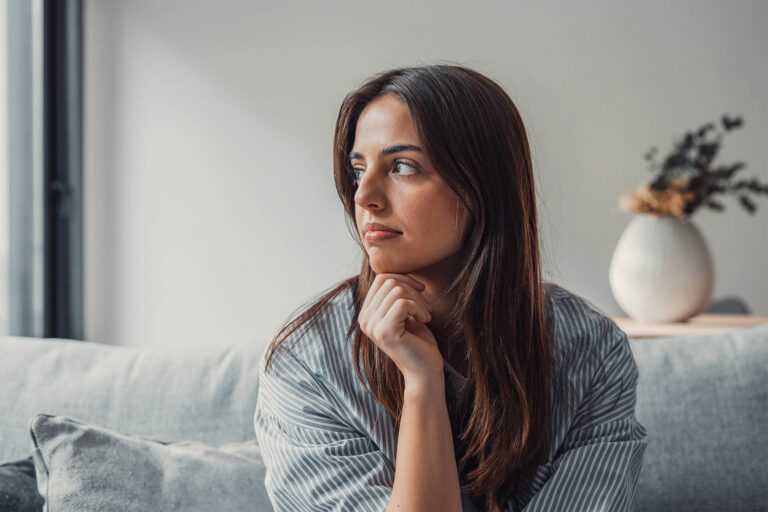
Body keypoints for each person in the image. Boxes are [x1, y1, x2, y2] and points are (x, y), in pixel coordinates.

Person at [254, 63, 648, 512]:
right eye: (358, 169)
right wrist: (423, 382)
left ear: (483, 185)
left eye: (403, 166)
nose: (364, 196)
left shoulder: (590, 352)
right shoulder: (308, 362)